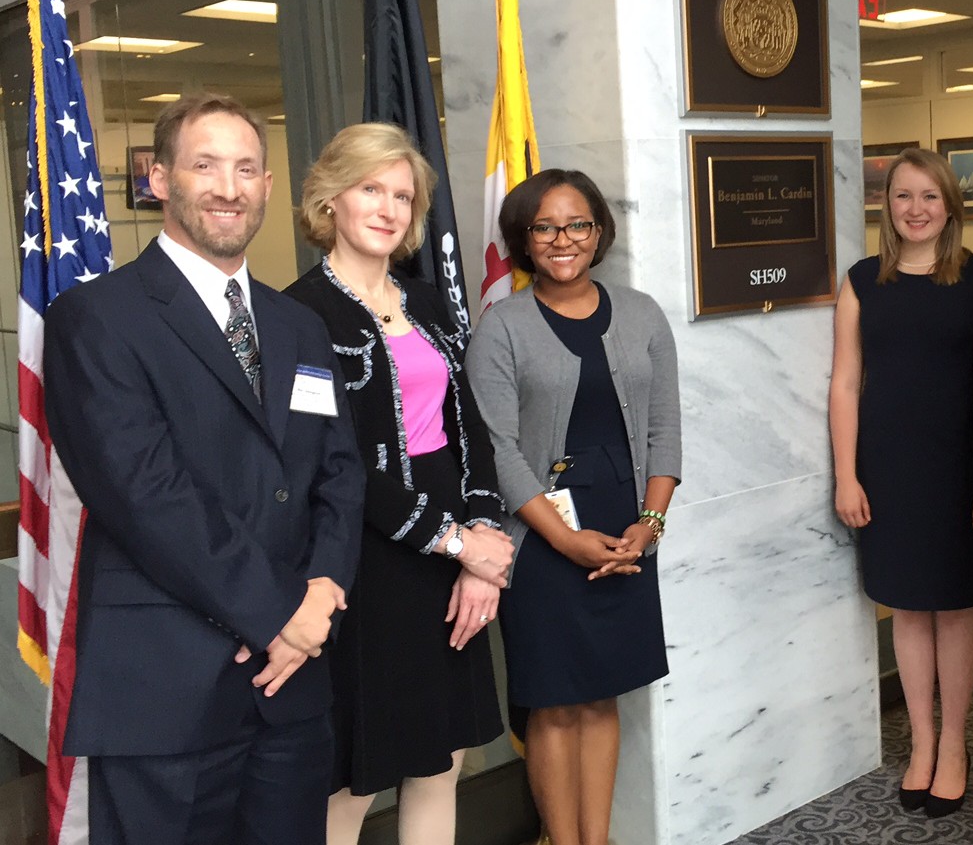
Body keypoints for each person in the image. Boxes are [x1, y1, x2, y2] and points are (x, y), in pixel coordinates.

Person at [42, 93, 364, 845]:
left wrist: (322, 598)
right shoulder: (96, 319)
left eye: (247, 168)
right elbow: (146, 494)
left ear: (268, 187)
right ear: (159, 179)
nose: (228, 186)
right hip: (167, 691)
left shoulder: (297, 324)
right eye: (205, 164)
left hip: (292, 686)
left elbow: (339, 475)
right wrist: (282, 612)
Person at [282, 123, 515, 845]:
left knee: (440, 758)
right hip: (365, 558)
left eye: (401, 194)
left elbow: (470, 429)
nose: (386, 207)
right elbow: (336, 461)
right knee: (357, 774)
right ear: (331, 199)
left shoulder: (431, 303)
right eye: (369, 188)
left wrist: (484, 542)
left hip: (453, 548)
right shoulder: (297, 315)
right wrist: (456, 544)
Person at [465, 169, 681, 845]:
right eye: (545, 227)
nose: (563, 240)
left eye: (577, 224)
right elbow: (498, 450)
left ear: (598, 232)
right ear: (524, 240)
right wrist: (565, 540)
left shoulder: (642, 313)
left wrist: (649, 525)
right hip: (540, 540)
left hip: (626, 528)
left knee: (601, 692)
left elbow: (664, 430)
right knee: (554, 703)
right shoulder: (501, 328)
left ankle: (598, 837)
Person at [829, 148, 973, 816]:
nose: (916, 208)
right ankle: (921, 745)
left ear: (950, 205)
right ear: (885, 206)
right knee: (905, 604)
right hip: (888, 466)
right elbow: (844, 382)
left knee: (955, 606)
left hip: (958, 466)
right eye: (902, 196)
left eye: (929, 196)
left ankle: (954, 743)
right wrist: (846, 474)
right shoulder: (863, 282)